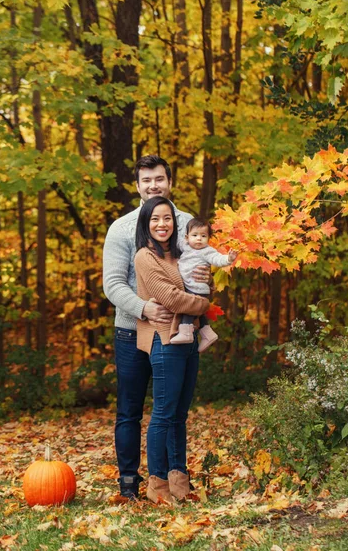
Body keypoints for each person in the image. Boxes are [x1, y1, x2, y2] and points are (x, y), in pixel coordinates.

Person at [102, 155, 209, 500]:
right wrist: (143, 308)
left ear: (169, 181)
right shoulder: (121, 228)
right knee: (130, 410)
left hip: (176, 332)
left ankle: (171, 479)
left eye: (159, 179)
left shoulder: (186, 223)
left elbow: (198, 268)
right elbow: (113, 284)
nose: (153, 185)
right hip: (131, 331)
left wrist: (209, 277)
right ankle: (129, 482)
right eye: (146, 180)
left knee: (174, 407)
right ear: (137, 186)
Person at [134, 196, 210, 503]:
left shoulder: (183, 254)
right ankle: (158, 484)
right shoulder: (144, 257)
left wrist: (204, 293)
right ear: (146, 224)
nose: (161, 224)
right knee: (163, 414)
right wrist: (205, 305)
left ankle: (180, 479)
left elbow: (203, 283)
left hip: (188, 337)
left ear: (174, 223)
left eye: (167, 218)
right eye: (155, 219)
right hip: (163, 339)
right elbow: (171, 298)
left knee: (180, 414)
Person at [171, 217, 237, 352]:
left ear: (208, 238)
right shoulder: (185, 246)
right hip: (189, 285)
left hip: (198, 288)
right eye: (194, 235)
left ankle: (186, 333)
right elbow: (173, 241)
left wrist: (228, 259)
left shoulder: (207, 251)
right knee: (199, 313)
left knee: (189, 308)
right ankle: (208, 334)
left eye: (203, 236)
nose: (199, 239)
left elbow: (217, 259)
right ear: (187, 237)